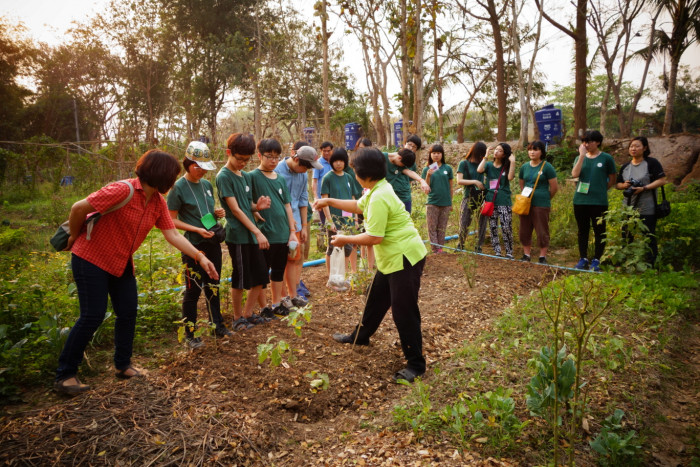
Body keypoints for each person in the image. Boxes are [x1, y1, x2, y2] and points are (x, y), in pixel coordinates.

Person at [54, 150, 219, 396]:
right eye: (172, 176)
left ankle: (123, 365)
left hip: (121, 263)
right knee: (92, 315)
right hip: (91, 259)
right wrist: (75, 237)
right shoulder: (123, 190)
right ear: (161, 175)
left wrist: (200, 256)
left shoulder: (157, 202)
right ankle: (65, 375)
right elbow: (79, 208)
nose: (174, 181)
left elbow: (171, 233)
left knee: (129, 311)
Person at [313, 147, 428, 383]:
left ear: (364, 175)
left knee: (403, 311)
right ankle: (361, 336)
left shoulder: (379, 196)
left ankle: (416, 364)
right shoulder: (378, 187)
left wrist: (345, 239)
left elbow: (375, 237)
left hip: (404, 257)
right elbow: (357, 206)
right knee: (375, 298)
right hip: (392, 258)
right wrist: (329, 200)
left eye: (355, 170)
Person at [167, 141, 232, 350]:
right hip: (193, 246)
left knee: (213, 283)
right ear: (187, 163)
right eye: (198, 167)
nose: (202, 171)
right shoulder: (177, 188)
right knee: (193, 290)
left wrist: (216, 214)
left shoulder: (205, 185)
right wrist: (195, 229)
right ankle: (190, 333)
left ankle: (217, 325)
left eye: (205, 167)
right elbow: (171, 221)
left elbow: (204, 211)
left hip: (211, 240)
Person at [216, 133, 272, 330]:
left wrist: (258, 207)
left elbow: (246, 205)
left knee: (260, 274)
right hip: (238, 235)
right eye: (239, 159)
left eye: (246, 160)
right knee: (240, 277)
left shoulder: (245, 176)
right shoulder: (223, 177)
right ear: (228, 153)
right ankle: (237, 317)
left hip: (251, 233)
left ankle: (248, 314)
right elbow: (236, 210)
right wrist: (257, 232)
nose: (242, 163)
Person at [250, 138, 303, 317]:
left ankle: (276, 303)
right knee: (261, 273)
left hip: (282, 234)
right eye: (269, 156)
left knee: (279, 270)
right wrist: (256, 208)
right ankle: (263, 306)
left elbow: (287, 206)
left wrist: (292, 232)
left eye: (276, 157)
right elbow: (245, 202)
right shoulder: (252, 177)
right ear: (259, 156)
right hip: (265, 234)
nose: (273, 160)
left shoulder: (279, 179)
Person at [275, 143, 322, 309]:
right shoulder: (278, 171)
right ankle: (282, 297)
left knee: (294, 259)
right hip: (280, 223)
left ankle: (293, 294)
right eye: (306, 167)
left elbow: (303, 200)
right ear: (296, 160)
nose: (307, 171)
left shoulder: (302, 175)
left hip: (297, 223)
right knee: (281, 261)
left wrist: (303, 226)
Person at [615, 136, 667, 264]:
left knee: (648, 235)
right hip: (628, 207)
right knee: (626, 235)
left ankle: (651, 263)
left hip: (647, 207)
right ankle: (627, 261)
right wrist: (624, 185)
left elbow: (662, 180)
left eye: (637, 146)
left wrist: (644, 188)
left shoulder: (651, 163)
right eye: (631, 146)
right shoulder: (625, 166)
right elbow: (617, 184)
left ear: (645, 148)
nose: (633, 148)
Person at [572, 130, 616, 271]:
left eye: (589, 141)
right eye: (584, 141)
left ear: (597, 142)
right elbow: (575, 174)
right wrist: (581, 156)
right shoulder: (580, 157)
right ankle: (583, 258)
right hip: (580, 201)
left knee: (599, 230)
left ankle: (597, 259)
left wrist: (601, 189)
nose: (586, 144)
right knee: (582, 230)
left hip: (599, 201)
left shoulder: (606, 158)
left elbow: (612, 179)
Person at [517, 140, 558, 264]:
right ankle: (526, 254)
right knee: (524, 229)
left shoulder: (547, 167)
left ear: (541, 152)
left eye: (535, 149)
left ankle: (542, 256)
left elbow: (554, 187)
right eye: (530, 149)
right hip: (525, 202)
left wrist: (545, 198)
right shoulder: (524, 167)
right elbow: (522, 183)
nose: (532, 152)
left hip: (541, 203)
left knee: (541, 230)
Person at [321, 147, 358, 275]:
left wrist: (356, 219)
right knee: (332, 248)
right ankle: (331, 276)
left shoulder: (348, 177)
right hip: (334, 219)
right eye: (336, 161)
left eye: (341, 161)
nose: (338, 163)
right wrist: (329, 220)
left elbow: (353, 198)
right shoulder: (327, 178)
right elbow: (324, 201)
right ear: (331, 162)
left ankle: (344, 274)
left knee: (348, 248)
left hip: (348, 219)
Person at [477, 143, 516, 258]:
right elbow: (479, 170)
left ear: (504, 155)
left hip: (504, 200)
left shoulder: (507, 166)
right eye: (496, 150)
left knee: (506, 226)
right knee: (493, 226)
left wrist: (513, 162)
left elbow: (510, 178)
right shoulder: (489, 165)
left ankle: (509, 251)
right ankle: (497, 250)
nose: (496, 152)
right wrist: (486, 155)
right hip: (490, 200)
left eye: (500, 150)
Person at [384, 135, 431, 212]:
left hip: (404, 197)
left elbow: (409, 173)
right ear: (404, 144)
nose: (411, 148)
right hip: (388, 196)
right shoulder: (389, 157)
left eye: (414, 147)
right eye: (409, 144)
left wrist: (421, 181)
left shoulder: (411, 163)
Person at [421, 143, 453, 253]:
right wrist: (428, 175)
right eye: (434, 153)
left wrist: (451, 202)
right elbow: (425, 189)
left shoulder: (447, 168)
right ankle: (435, 249)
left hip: (446, 203)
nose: (436, 155)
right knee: (432, 227)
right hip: (432, 202)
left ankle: (440, 248)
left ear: (442, 155)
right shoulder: (427, 169)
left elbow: (450, 187)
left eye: (438, 153)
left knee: (442, 227)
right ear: (430, 155)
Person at [456, 142, 488, 252]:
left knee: (482, 223)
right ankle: (460, 244)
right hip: (469, 196)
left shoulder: (484, 164)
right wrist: (475, 182)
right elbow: (459, 181)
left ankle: (479, 246)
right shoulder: (464, 164)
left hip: (483, 197)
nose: (480, 157)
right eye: (480, 154)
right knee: (464, 221)